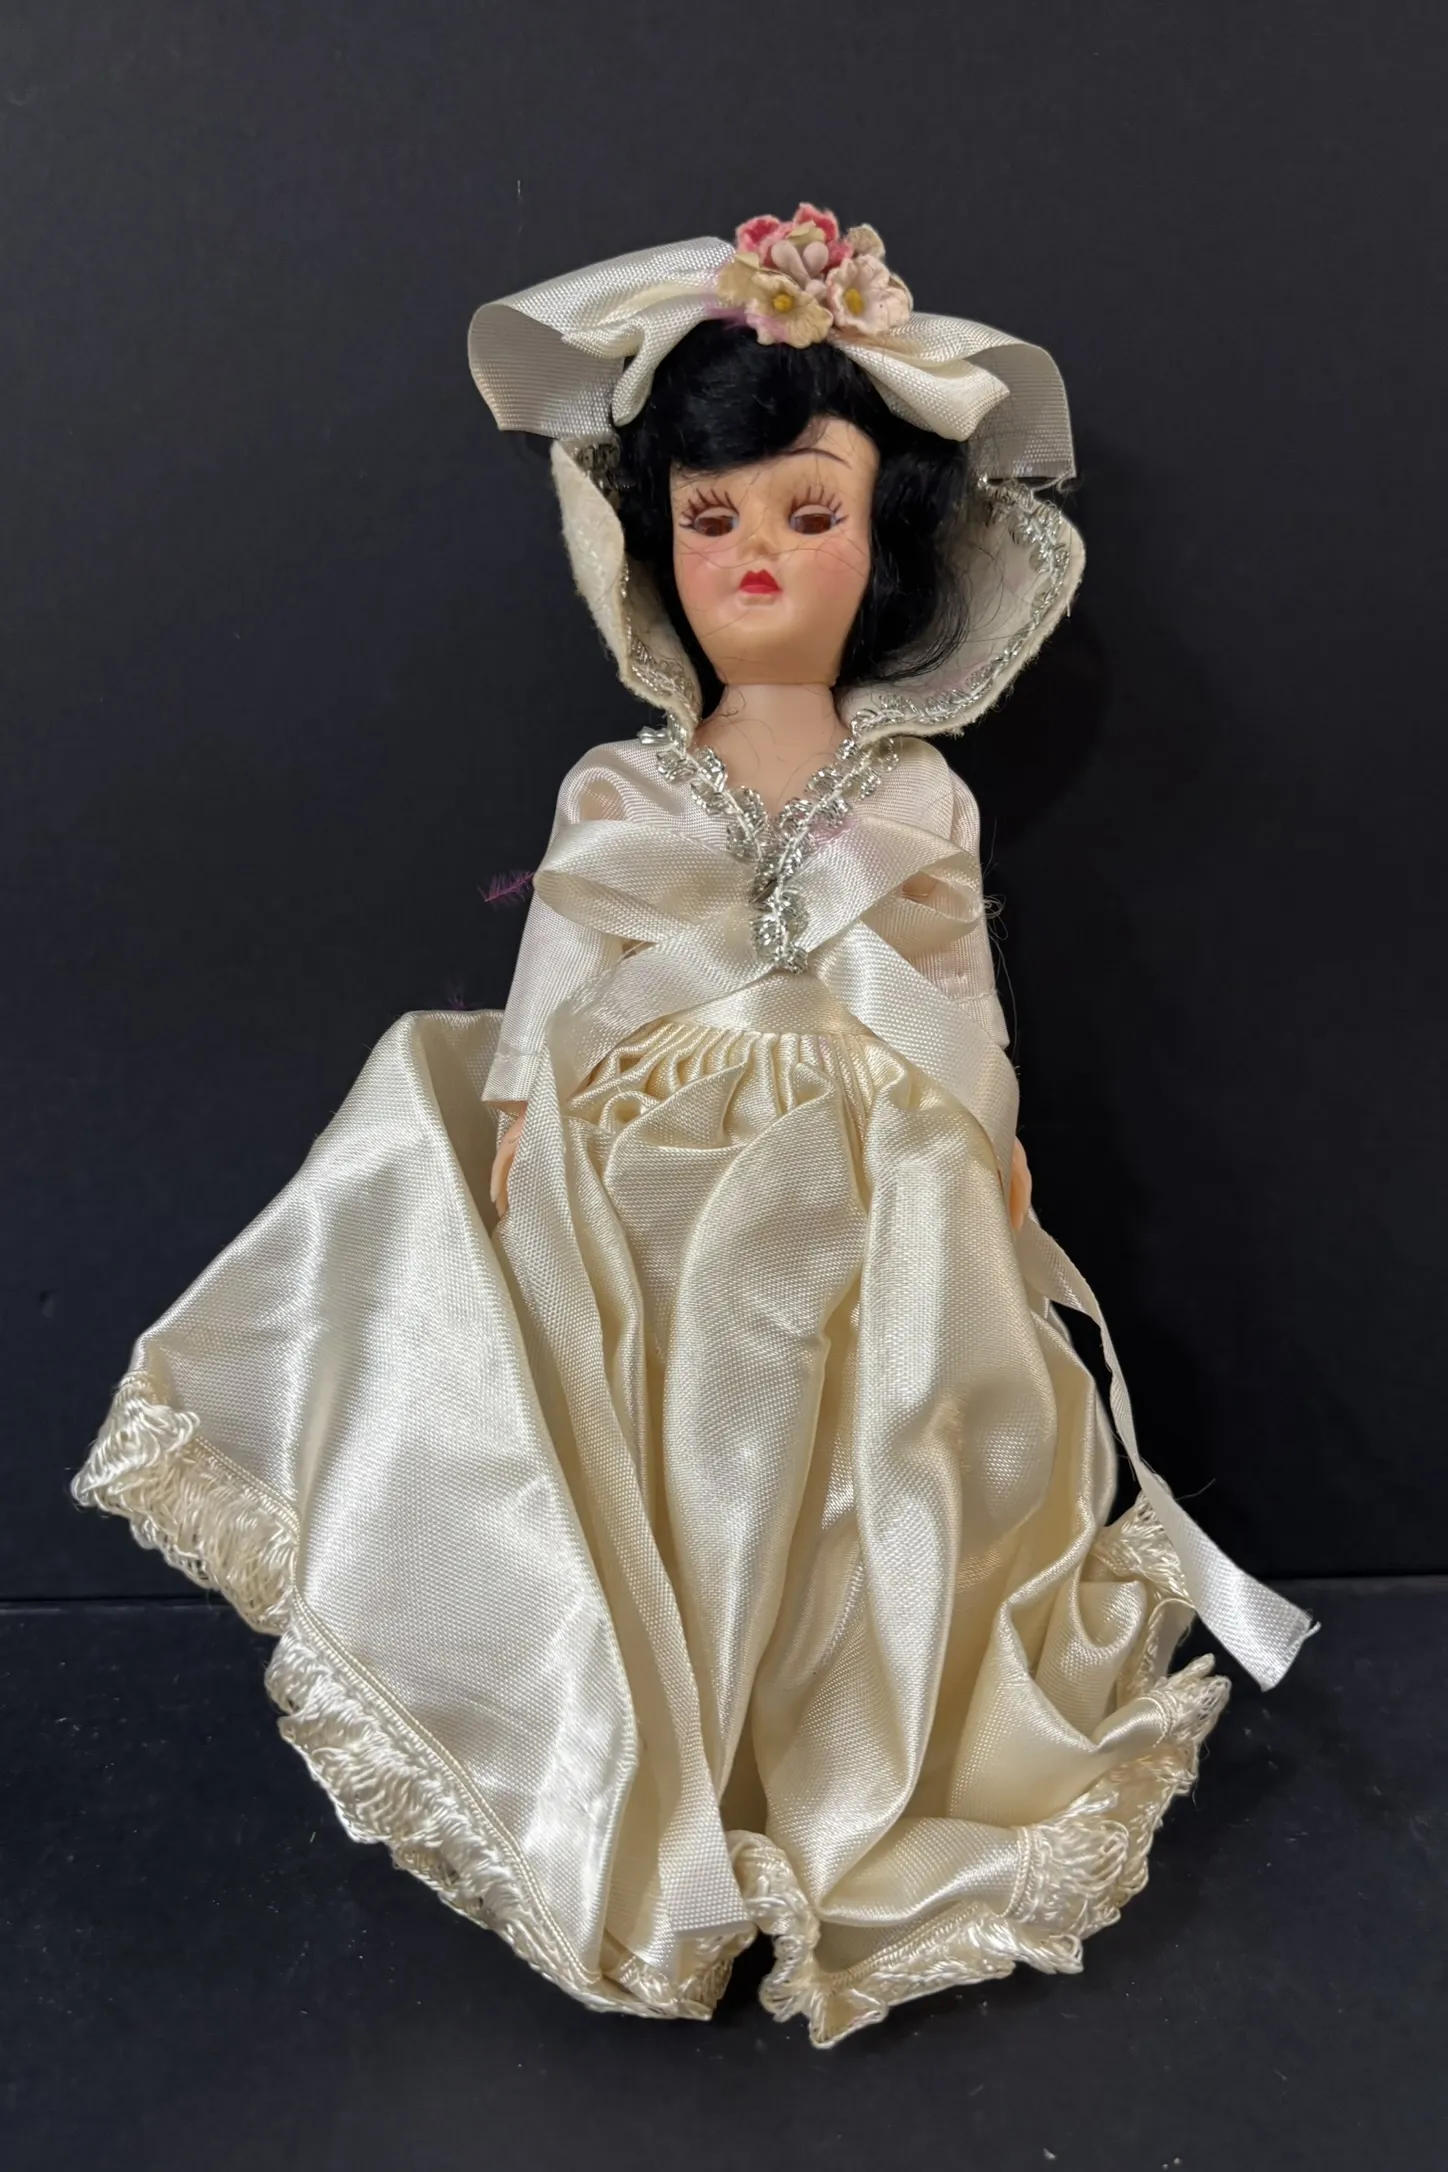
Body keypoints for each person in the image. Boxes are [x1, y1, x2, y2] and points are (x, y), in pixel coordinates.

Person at [72, 205, 1316, 2047]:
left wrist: (991, 1134)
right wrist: (521, 1118)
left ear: (885, 548)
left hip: (881, 1166)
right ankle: (666, 1778)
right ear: (651, 546)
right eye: (712, 519)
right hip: (654, 1156)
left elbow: (956, 983)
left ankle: (836, 1766)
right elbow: (566, 968)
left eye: (809, 516)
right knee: (671, 1433)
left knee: (884, 1448)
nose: (755, 556)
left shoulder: (919, 790)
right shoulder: (624, 781)